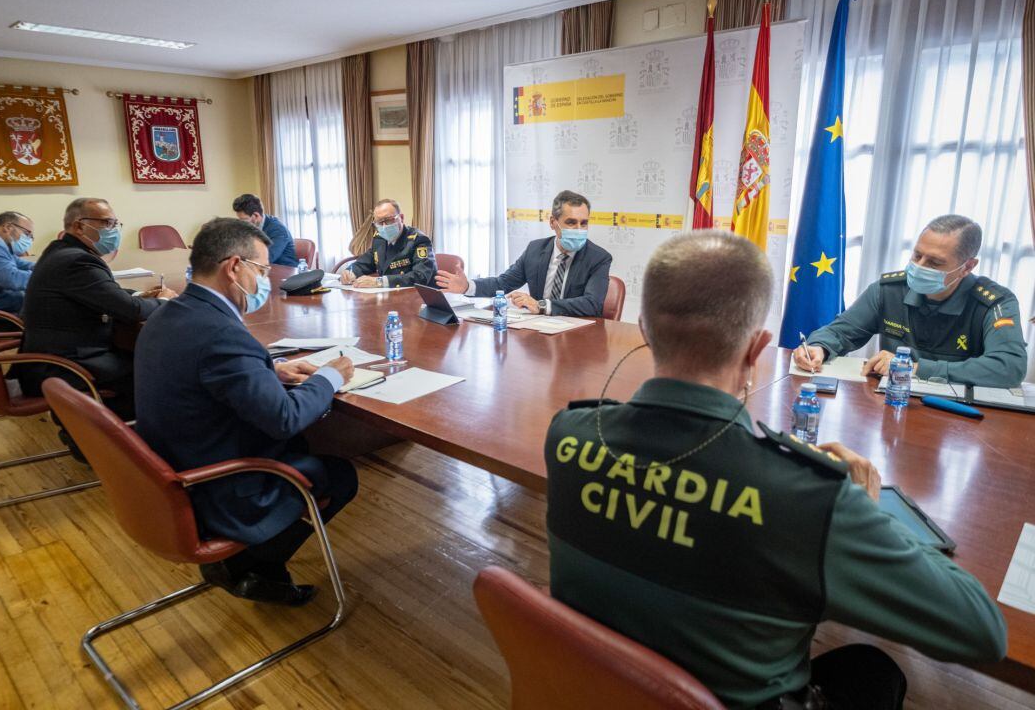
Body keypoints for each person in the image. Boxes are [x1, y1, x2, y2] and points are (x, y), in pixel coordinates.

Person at [544, 231, 1006, 710]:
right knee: (874, 670)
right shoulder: (807, 496)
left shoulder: (568, 434)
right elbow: (983, 632)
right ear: (757, 347)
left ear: (643, 329)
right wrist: (872, 515)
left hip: (590, 688)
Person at [135, 217, 357, 606]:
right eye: (263, 270)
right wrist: (329, 377)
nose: (266, 281)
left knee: (301, 444)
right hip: (215, 487)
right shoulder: (222, 333)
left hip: (170, 467)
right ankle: (251, 565)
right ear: (234, 267)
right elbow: (284, 418)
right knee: (339, 475)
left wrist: (266, 370)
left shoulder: (170, 313)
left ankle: (251, 562)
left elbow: (199, 370)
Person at [794, 215, 1026, 388]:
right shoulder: (889, 290)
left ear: (967, 267)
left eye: (934, 263)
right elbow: (841, 332)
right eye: (917, 255)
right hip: (892, 404)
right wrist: (819, 347)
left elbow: (1009, 367)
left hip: (961, 422)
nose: (919, 266)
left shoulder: (995, 303)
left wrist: (916, 369)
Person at [15, 198, 176, 420]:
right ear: (79, 226)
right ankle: (117, 435)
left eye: (115, 224)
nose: (114, 231)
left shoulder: (62, 250)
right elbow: (132, 311)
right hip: (66, 366)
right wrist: (166, 300)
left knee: (144, 356)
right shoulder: (77, 262)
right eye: (107, 223)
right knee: (162, 371)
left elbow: (102, 293)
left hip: (55, 354)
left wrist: (140, 294)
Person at [435, 190, 611, 316]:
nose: (579, 229)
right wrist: (467, 286)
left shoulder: (598, 258)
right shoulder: (535, 249)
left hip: (578, 334)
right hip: (539, 332)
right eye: (571, 222)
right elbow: (503, 283)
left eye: (584, 223)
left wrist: (540, 305)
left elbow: (592, 304)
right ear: (553, 222)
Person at [339, 199, 436, 288]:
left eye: (389, 220)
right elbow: (365, 263)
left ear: (401, 218)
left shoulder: (418, 240)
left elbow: (421, 276)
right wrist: (350, 272)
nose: (384, 226)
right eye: (379, 222)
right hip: (389, 297)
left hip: (416, 299)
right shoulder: (379, 239)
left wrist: (379, 282)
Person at [232, 193, 299, 267]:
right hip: (264, 270)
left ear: (256, 216)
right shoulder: (251, 227)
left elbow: (266, 259)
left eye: (244, 220)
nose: (241, 223)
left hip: (285, 272)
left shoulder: (278, 230)